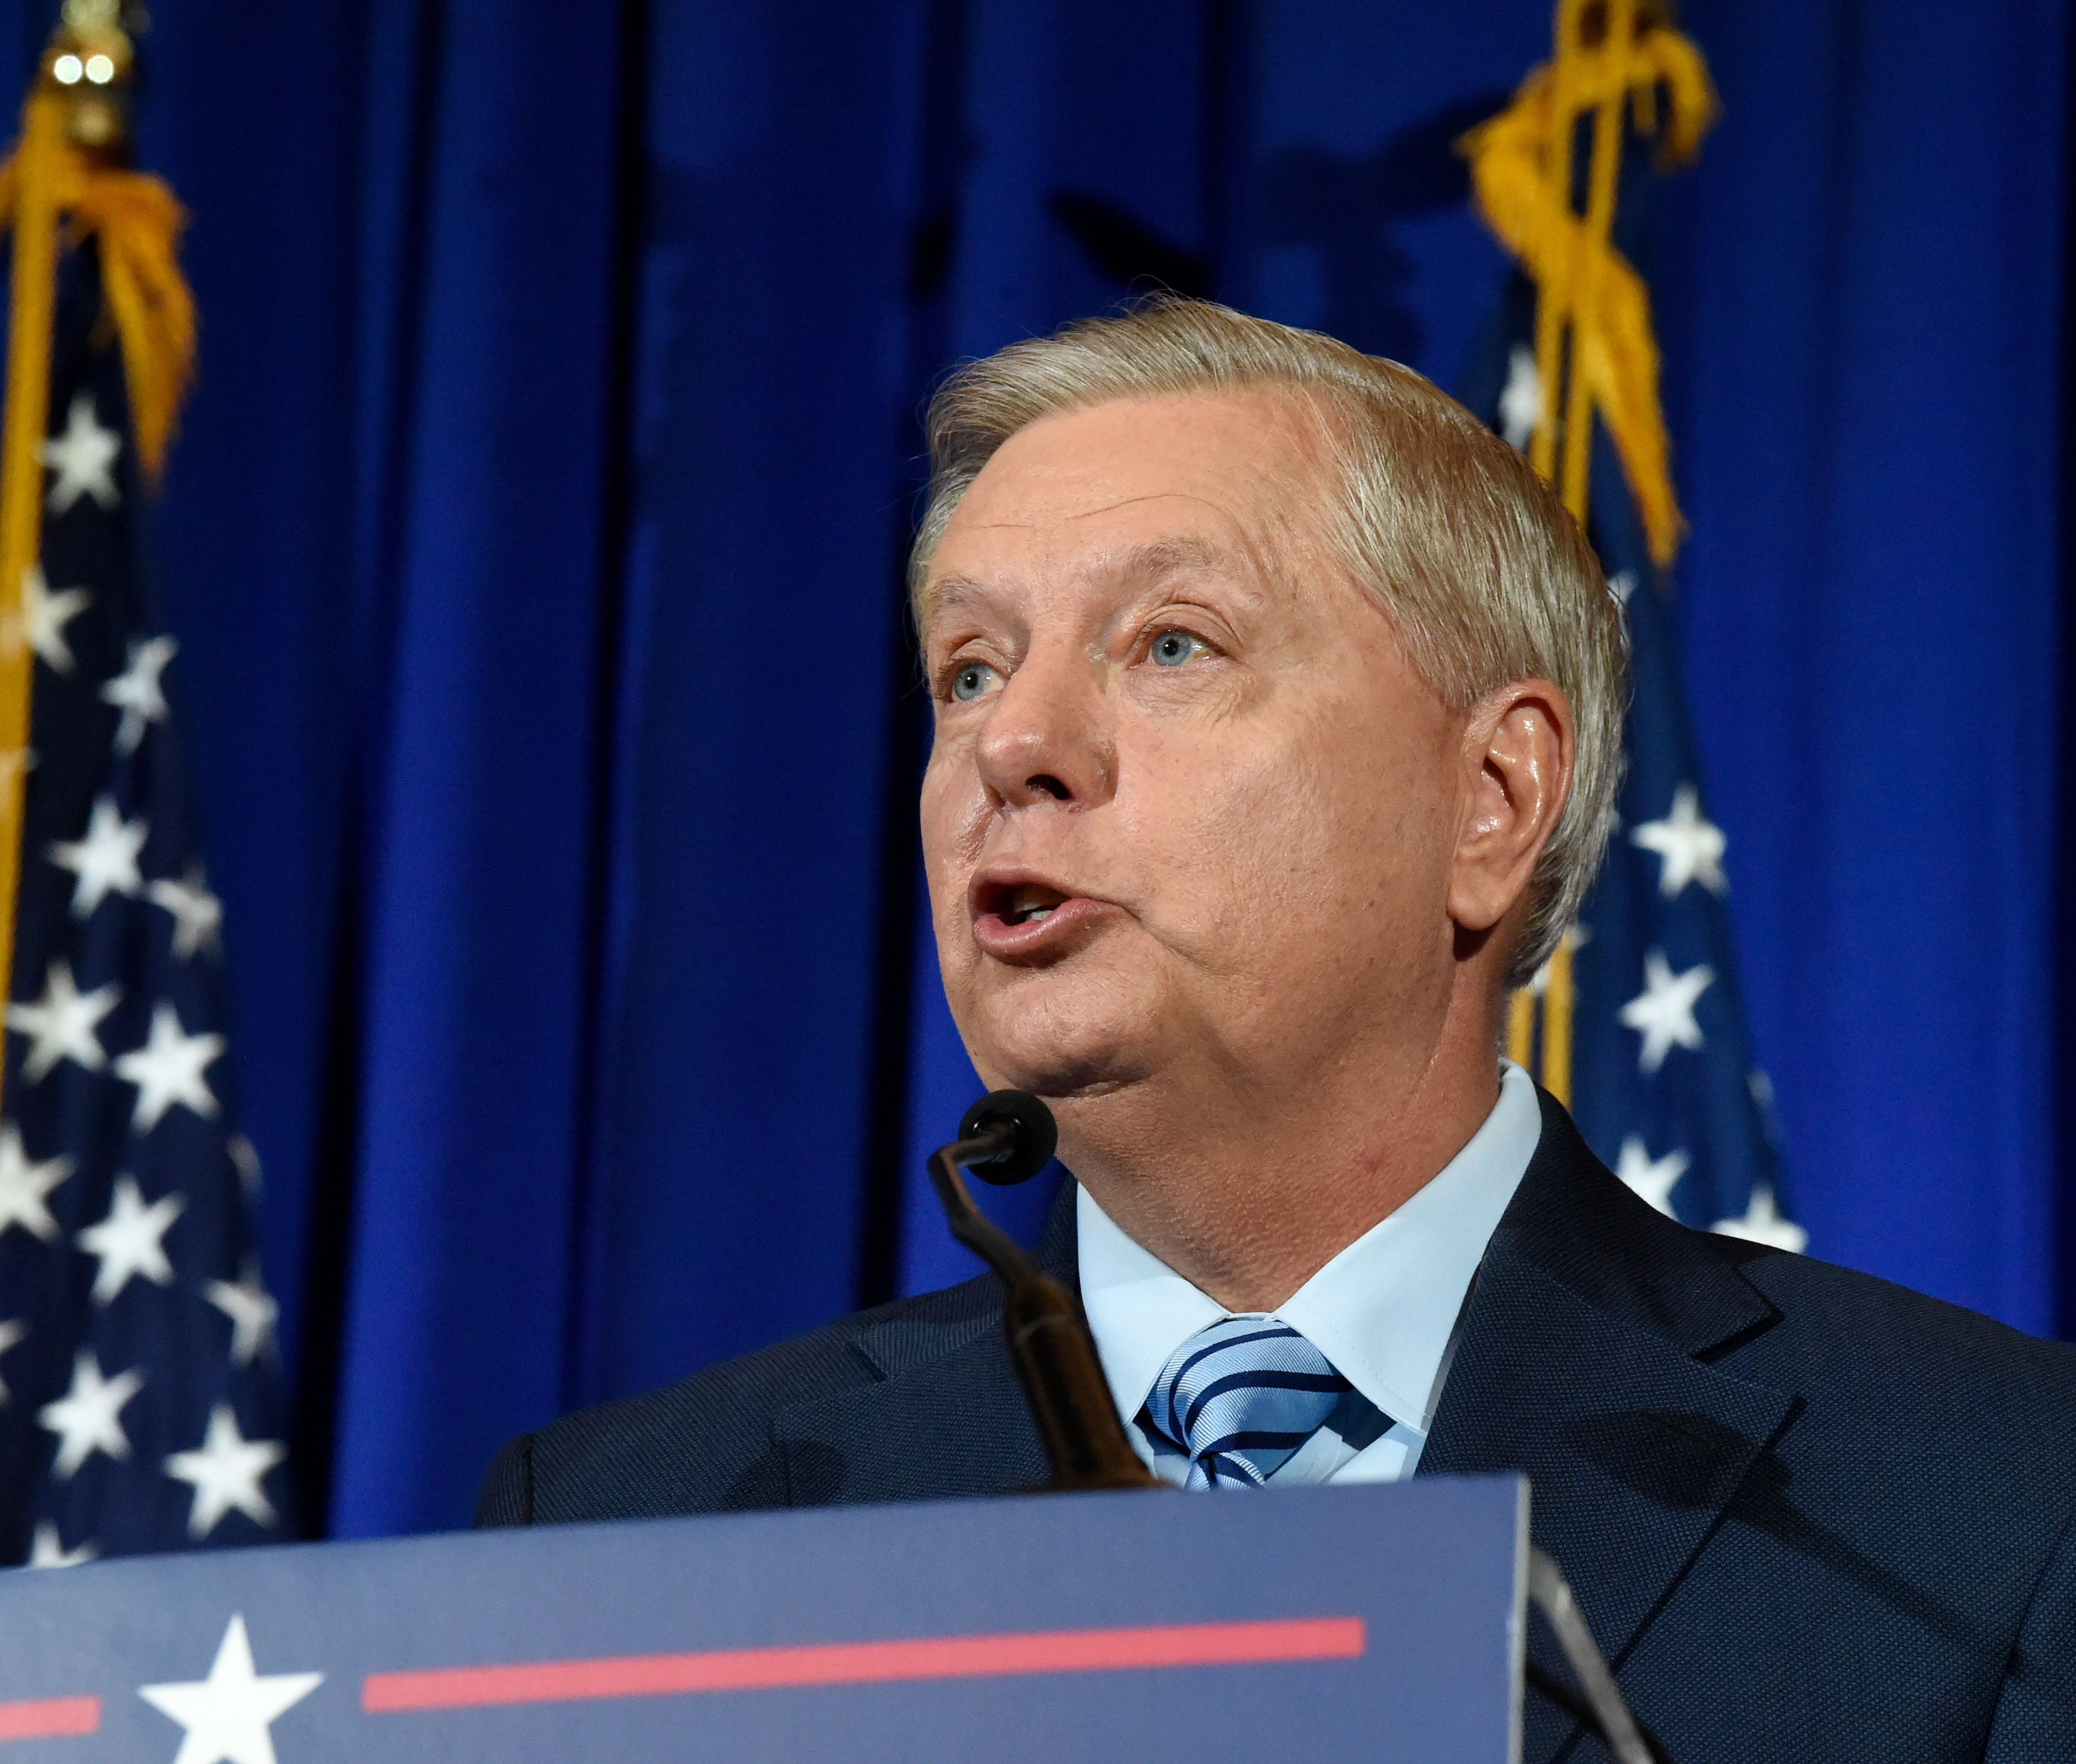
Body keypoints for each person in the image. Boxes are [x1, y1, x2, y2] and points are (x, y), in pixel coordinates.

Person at [473, 298, 2076, 1760]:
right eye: (967, 670)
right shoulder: (636, 1531)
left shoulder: (1988, 1504)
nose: (1013, 745)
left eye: (1173, 643)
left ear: (1491, 797)